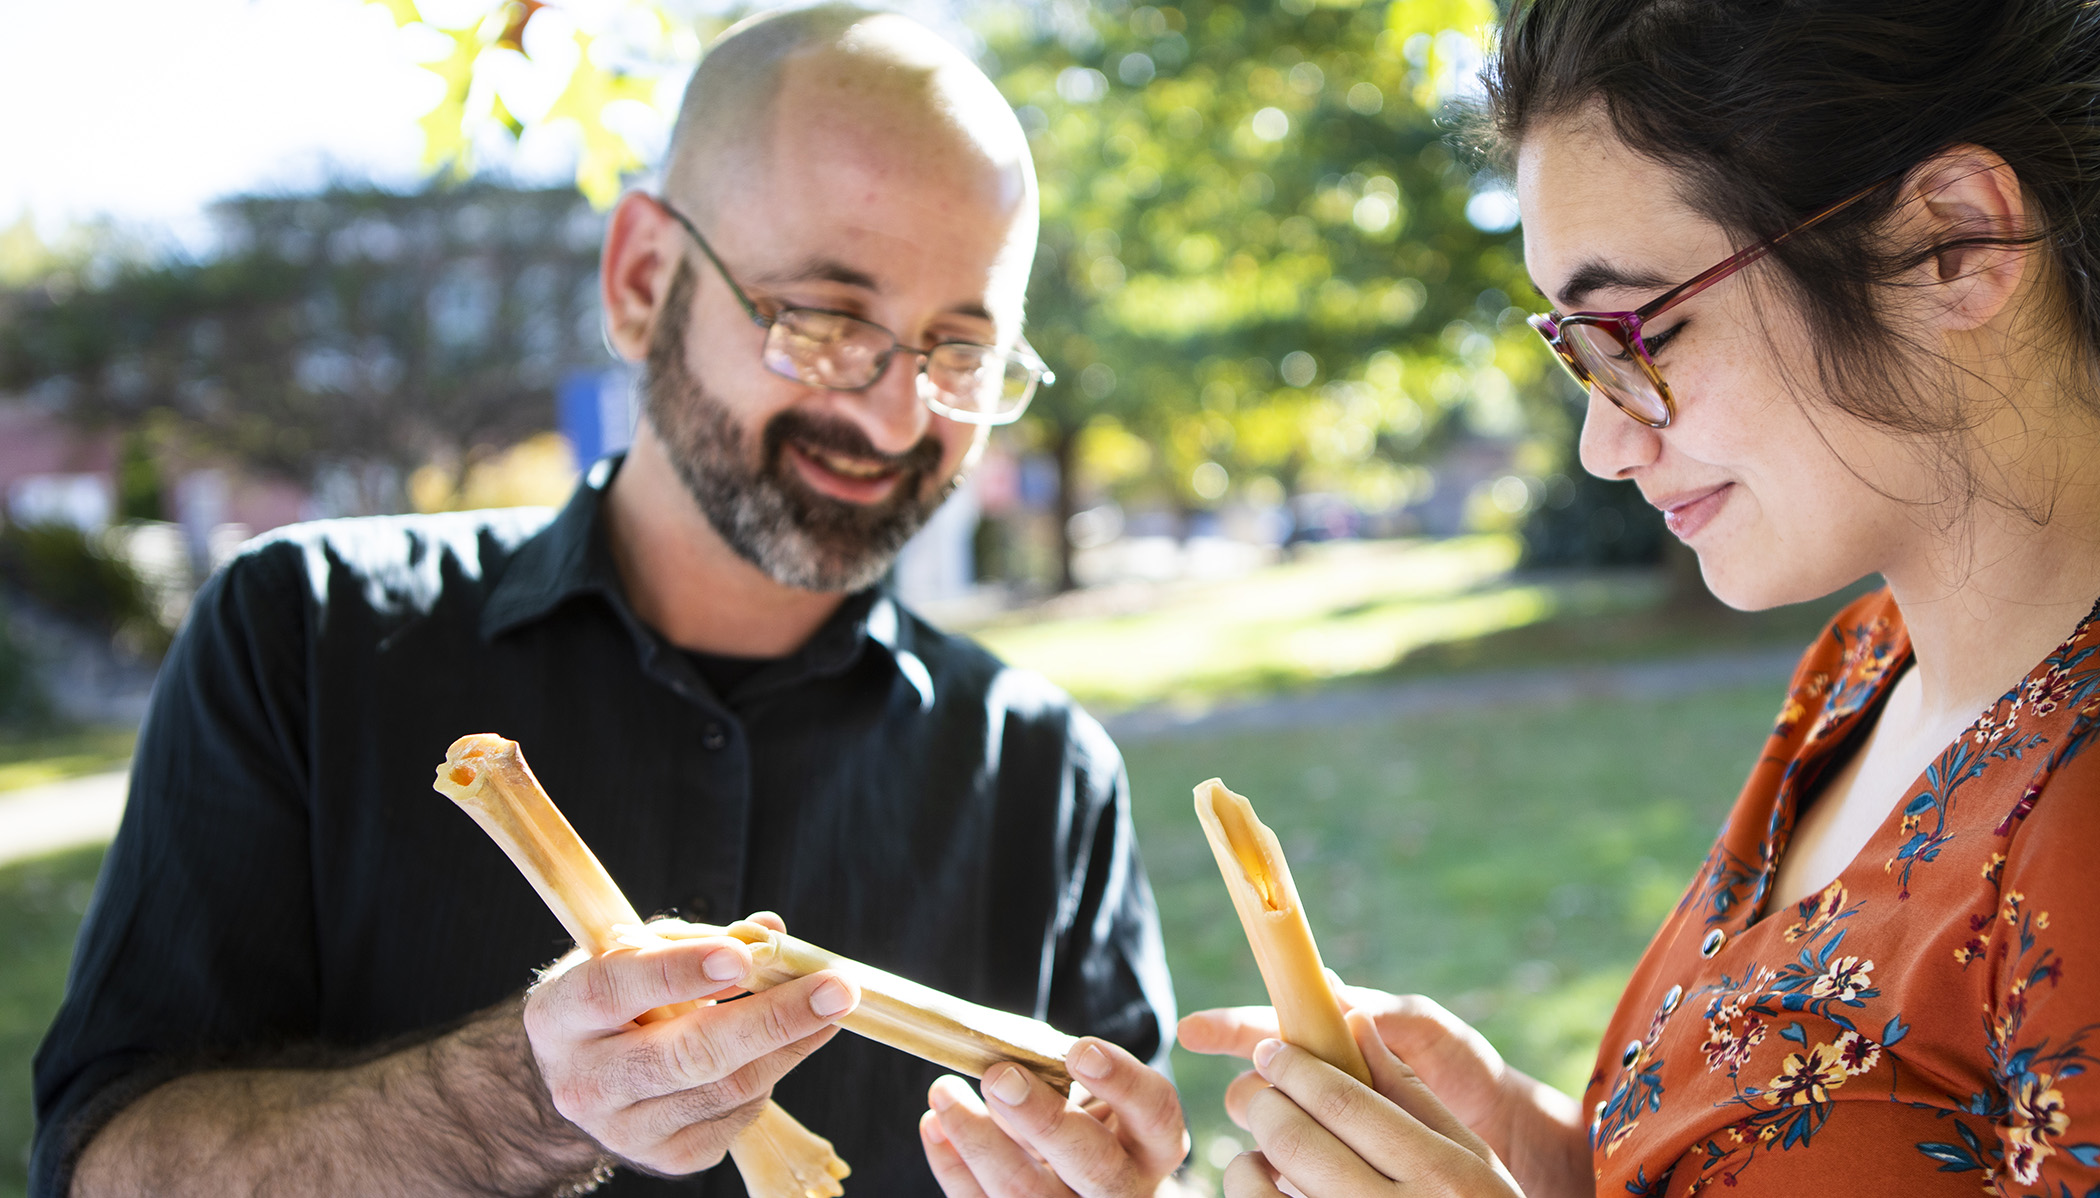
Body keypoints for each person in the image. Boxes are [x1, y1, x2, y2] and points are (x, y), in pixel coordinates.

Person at [31, 7, 1188, 1197]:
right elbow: (106, 1165)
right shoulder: (303, 635)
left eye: (959, 354)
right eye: (829, 321)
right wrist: (525, 1099)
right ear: (642, 280)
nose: (896, 420)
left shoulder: (1048, 773)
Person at [1179, 0, 2100, 1194]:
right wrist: (1536, 1146)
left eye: (1634, 333)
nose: (1602, 445)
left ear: (1954, 244)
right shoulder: (1865, 666)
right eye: (1576, 352)